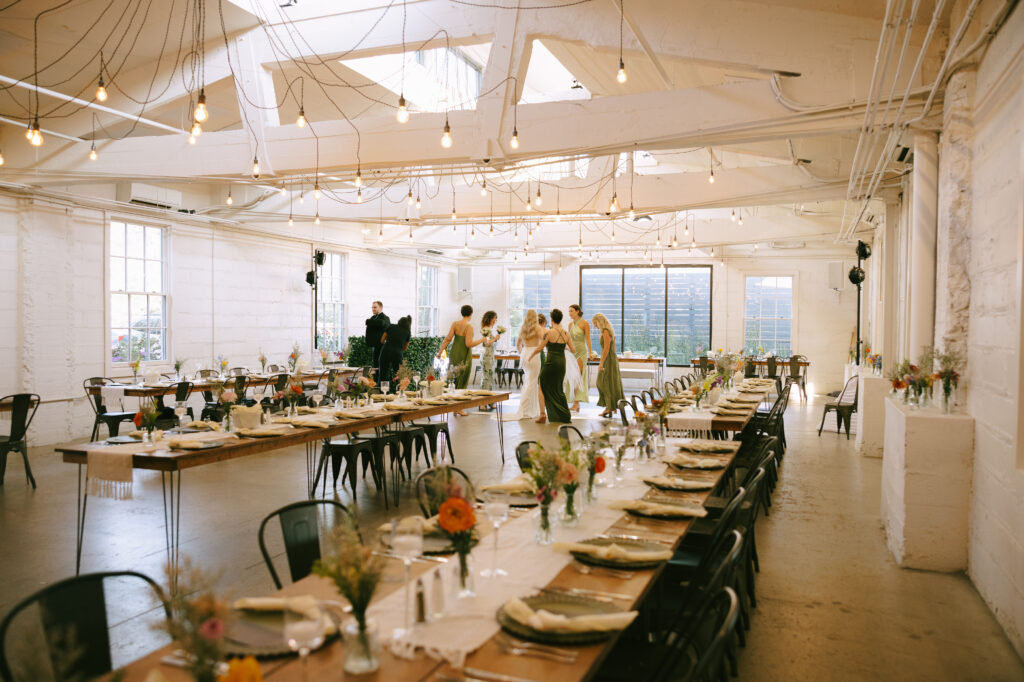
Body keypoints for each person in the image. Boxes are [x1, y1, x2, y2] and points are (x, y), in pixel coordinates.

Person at [437, 305, 484, 415]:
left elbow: (447, 339)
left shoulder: (455, 324)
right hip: (464, 355)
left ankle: (455, 406)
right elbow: (468, 344)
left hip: (454, 353)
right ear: (471, 314)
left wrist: (440, 352)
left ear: (462, 313)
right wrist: (482, 340)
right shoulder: (469, 327)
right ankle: (458, 407)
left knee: (454, 379)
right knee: (462, 379)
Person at [530, 308, 574, 424]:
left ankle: (542, 415)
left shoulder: (548, 333)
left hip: (550, 363)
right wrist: (562, 346)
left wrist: (530, 356)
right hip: (561, 363)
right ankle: (564, 415)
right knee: (558, 388)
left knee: (541, 385)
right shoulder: (566, 333)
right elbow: (573, 350)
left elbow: (540, 348)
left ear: (552, 319)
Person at [506, 310, 543, 420]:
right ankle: (525, 409)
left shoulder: (522, 328)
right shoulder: (537, 328)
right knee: (532, 382)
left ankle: (531, 409)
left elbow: (518, 344)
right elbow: (544, 339)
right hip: (534, 354)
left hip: (525, 353)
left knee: (528, 381)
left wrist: (522, 353)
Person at [592, 313, 624, 418]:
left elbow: (606, 349)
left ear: (599, 322)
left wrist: (601, 363)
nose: (595, 326)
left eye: (595, 323)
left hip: (608, 359)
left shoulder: (606, 331)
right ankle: (609, 407)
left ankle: (609, 407)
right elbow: (613, 348)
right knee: (609, 382)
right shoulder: (610, 331)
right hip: (611, 358)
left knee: (602, 382)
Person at [566, 304, 593, 412]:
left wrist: (590, 353)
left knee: (578, 376)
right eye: (569, 311)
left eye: (571, 311)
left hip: (581, 352)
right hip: (572, 352)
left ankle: (576, 403)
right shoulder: (570, 324)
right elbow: (569, 339)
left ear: (577, 311)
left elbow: (588, 339)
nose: (569, 313)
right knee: (572, 377)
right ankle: (576, 403)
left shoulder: (585, 323)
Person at [378, 315, 412, 393]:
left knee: (383, 373)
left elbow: (382, 340)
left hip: (386, 351)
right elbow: (405, 348)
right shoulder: (407, 332)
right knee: (399, 375)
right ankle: (401, 393)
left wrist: (389, 343)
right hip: (397, 353)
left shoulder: (391, 326)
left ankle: (383, 394)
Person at [478, 311, 503, 409]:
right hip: (486, 356)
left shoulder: (490, 329)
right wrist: (495, 338)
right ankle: (482, 402)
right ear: (489, 318)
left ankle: (490, 400)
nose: (495, 320)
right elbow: (486, 343)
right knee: (485, 379)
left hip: (491, 355)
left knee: (490, 378)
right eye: (494, 318)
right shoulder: (485, 329)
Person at [364, 301, 390, 371]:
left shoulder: (385, 318)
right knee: (375, 365)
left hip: (381, 346)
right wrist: (369, 321)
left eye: (375, 307)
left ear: (381, 308)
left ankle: (380, 381)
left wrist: (369, 321)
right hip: (375, 345)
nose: (373, 309)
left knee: (380, 365)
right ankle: (375, 381)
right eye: (372, 307)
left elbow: (381, 323)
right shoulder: (373, 317)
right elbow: (368, 322)